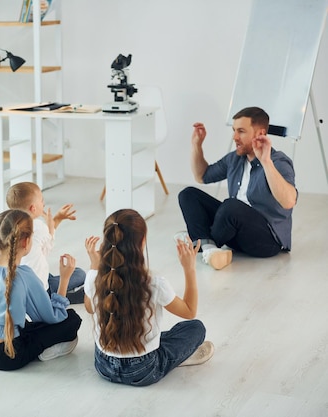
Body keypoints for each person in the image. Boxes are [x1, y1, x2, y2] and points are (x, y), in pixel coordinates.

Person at [83, 209, 214, 387]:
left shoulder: (94, 277)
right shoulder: (154, 283)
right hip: (143, 369)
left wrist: (94, 266)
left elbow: (90, 308)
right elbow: (189, 312)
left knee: (161, 337)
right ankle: (173, 360)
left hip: (104, 365)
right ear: (142, 242)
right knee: (195, 327)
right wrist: (189, 269)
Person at [178, 106, 297, 270]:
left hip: (266, 241)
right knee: (188, 194)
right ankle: (209, 248)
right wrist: (196, 145)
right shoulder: (235, 158)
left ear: (260, 134)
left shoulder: (278, 161)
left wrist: (266, 162)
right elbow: (202, 176)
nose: (234, 137)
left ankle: (200, 239)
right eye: (234, 130)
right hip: (233, 228)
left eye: (241, 131)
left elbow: (289, 201)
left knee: (230, 206)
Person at [0, 209, 82, 371]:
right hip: (9, 356)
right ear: (26, 242)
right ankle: (46, 350)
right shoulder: (24, 275)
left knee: (21, 323)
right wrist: (64, 279)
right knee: (72, 319)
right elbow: (53, 317)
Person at [6, 181, 86, 303]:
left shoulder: (8, 225)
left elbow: (42, 242)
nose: (44, 204)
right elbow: (48, 246)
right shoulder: (37, 226)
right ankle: (63, 296)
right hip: (39, 288)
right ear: (33, 208)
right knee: (80, 274)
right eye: (42, 201)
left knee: (47, 274)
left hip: (19, 284)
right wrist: (53, 222)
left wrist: (54, 221)